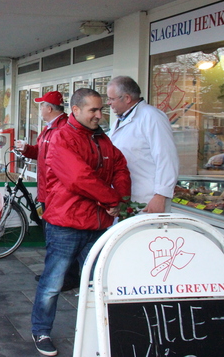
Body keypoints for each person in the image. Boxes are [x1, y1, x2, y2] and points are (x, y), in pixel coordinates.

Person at [30, 88, 131, 356]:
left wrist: (119, 198)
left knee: (99, 282)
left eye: (101, 109)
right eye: (94, 110)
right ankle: (41, 330)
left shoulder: (101, 138)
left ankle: (100, 332)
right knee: (53, 283)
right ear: (76, 110)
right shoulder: (62, 138)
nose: (100, 115)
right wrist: (112, 201)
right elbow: (79, 178)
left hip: (97, 225)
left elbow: (120, 166)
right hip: (66, 224)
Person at [15, 91, 78, 291]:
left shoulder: (64, 129)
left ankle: (66, 277)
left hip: (56, 193)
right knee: (51, 235)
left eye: (42, 106)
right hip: (47, 192)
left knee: (60, 237)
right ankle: (56, 273)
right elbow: (41, 153)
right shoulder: (49, 129)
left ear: (49, 108)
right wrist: (26, 149)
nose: (40, 109)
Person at [107, 75, 179, 213]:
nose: (109, 103)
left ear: (127, 98)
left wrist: (160, 195)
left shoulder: (152, 117)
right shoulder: (120, 120)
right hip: (128, 198)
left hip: (148, 201)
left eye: (111, 99)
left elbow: (166, 157)